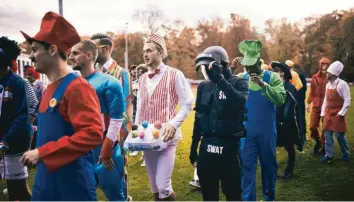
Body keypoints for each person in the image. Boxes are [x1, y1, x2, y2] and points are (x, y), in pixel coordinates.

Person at [20, 11, 104, 201]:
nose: (32, 57)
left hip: (72, 187)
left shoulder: (77, 87)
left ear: (52, 50)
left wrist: (43, 152)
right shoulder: (50, 88)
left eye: (35, 49)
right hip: (46, 184)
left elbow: (92, 133)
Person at [135, 33, 194, 201]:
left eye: (149, 50)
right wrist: (136, 130)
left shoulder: (175, 74)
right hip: (147, 139)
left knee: (163, 186)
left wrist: (174, 124)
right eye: (144, 51)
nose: (145, 55)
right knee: (155, 188)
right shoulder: (142, 78)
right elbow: (140, 108)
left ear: (160, 51)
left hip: (167, 138)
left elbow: (188, 102)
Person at [69, 40, 126, 200]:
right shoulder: (72, 83)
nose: (70, 57)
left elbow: (116, 119)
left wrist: (107, 149)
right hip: (81, 151)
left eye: (75, 53)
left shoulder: (109, 82)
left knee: (115, 196)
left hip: (104, 151)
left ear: (88, 56)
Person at [190, 46, 248, 200]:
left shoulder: (239, 82)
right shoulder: (204, 86)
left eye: (210, 66)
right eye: (204, 67)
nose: (207, 71)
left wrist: (221, 81)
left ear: (223, 64)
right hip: (207, 148)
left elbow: (241, 102)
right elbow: (199, 117)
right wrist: (194, 145)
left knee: (233, 194)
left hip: (229, 148)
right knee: (209, 196)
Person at [237, 40, 286, 201]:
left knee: (269, 166)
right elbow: (225, 88)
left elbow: (280, 99)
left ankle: (269, 197)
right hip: (247, 132)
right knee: (247, 167)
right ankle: (247, 199)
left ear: (259, 62)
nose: (249, 69)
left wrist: (264, 85)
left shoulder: (272, 77)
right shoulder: (241, 78)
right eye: (247, 65)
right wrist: (229, 68)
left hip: (266, 131)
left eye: (252, 65)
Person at [91, 33, 133, 199]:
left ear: (106, 49)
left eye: (94, 48)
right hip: (95, 134)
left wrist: (120, 139)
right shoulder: (93, 74)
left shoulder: (121, 73)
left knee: (117, 173)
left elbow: (125, 105)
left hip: (115, 134)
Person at [0, 36, 32, 201]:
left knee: (18, 187)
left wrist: (5, 142)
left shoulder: (17, 82)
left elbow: (22, 116)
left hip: (14, 143)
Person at [272, 62, 301, 178]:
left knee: (289, 147)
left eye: (276, 70)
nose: (274, 73)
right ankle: (272, 169)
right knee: (271, 146)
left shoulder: (289, 88)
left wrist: (284, 121)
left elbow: (290, 106)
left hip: (286, 123)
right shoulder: (274, 86)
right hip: (275, 122)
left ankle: (289, 170)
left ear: (282, 73)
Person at [320, 61, 351, 162]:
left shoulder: (342, 84)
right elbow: (325, 100)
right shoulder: (328, 84)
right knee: (327, 135)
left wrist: (341, 113)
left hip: (338, 113)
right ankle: (329, 155)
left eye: (327, 73)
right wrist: (323, 113)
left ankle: (345, 153)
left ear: (333, 74)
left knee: (339, 135)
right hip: (328, 113)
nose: (325, 74)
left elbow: (347, 100)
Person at [307, 58, 330, 154]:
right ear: (320, 65)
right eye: (323, 64)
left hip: (327, 106)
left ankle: (324, 145)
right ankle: (318, 141)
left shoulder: (330, 78)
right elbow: (312, 92)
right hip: (316, 105)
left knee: (325, 127)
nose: (324, 66)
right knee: (312, 126)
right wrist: (308, 103)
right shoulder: (314, 78)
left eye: (326, 64)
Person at [285, 60, 307, 148]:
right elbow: (303, 88)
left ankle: (302, 137)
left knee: (299, 119)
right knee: (299, 119)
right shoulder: (298, 75)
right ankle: (299, 137)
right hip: (298, 100)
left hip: (297, 101)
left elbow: (302, 87)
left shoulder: (296, 75)